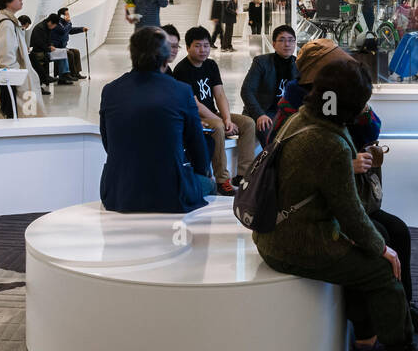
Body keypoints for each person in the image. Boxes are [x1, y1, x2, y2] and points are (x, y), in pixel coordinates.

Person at [251, 60, 418, 351]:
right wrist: (383, 251)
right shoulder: (329, 143)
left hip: (279, 231)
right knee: (383, 271)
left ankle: (368, 347)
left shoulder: (303, 118)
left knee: (371, 249)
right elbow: (351, 212)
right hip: (294, 242)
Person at [269, 38, 418, 335]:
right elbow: (283, 156)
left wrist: (358, 105)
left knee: (397, 231)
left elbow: (373, 127)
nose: (346, 65)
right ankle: (369, 330)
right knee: (376, 240)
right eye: (337, 63)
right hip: (317, 203)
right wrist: (344, 164)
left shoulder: (345, 92)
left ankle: (403, 306)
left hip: (345, 192)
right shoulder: (297, 102)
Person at [99, 27, 213, 213]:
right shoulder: (181, 91)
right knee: (207, 183)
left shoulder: (110, 90)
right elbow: (198, 151)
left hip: (118, 193)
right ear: (166, 55)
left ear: (132, 53)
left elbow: (108, 143)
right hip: (171, 194)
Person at [171, 27, 255, 195]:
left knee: (248, 123)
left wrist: (228, 119)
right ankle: (222, 180)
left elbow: (220, 93)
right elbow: (194, 104)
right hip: (196, 118)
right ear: (187, 47)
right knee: (217, 126)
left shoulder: (210, 65)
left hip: (213, 114)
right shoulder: (181, 70)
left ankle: (244, 175)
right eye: (197, 46)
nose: (203, 50)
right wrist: (223, 122)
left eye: (206, 45)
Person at [0, 0, 46, 117]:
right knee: (25, 121)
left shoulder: (8, 21)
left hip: (18, 82)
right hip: (17, 85)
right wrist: (21, 79)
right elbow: (6, 60)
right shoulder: (6, 24)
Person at [240, 24, 297, 146]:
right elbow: (247, 91)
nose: (287, 44)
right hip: (264, 111)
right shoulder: (261, 62)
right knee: (269, 135)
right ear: (274, 44)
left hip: (287, 113)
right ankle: (271, 165)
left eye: (291, 40)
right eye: (282, 40)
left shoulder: (299, 64)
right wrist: (259, 115)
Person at [28, 13, 60, 90]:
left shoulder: (47, 28)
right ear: (50, 22)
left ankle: (46, 78)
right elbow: (39, 43)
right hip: (37, 51)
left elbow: (48, 40)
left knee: (56, 56)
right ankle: (44, 79)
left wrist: (51, 46)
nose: (53, 28)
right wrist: (49, 48)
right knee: (43, 58)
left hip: (43, 50)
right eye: (54, 25)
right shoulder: (40, 28)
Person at [55, 7, 88, 80]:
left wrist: (81, 29)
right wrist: (69, 22)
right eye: (67, 14)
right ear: (62, 16)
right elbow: (63, 31)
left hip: (64, 47)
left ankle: (77, 73)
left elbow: (70, 30)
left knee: (76, 51)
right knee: (70, 54)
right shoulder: (58, 23)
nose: (69, 16)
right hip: (58, 48)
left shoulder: (65, 23)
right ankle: (71, 73)